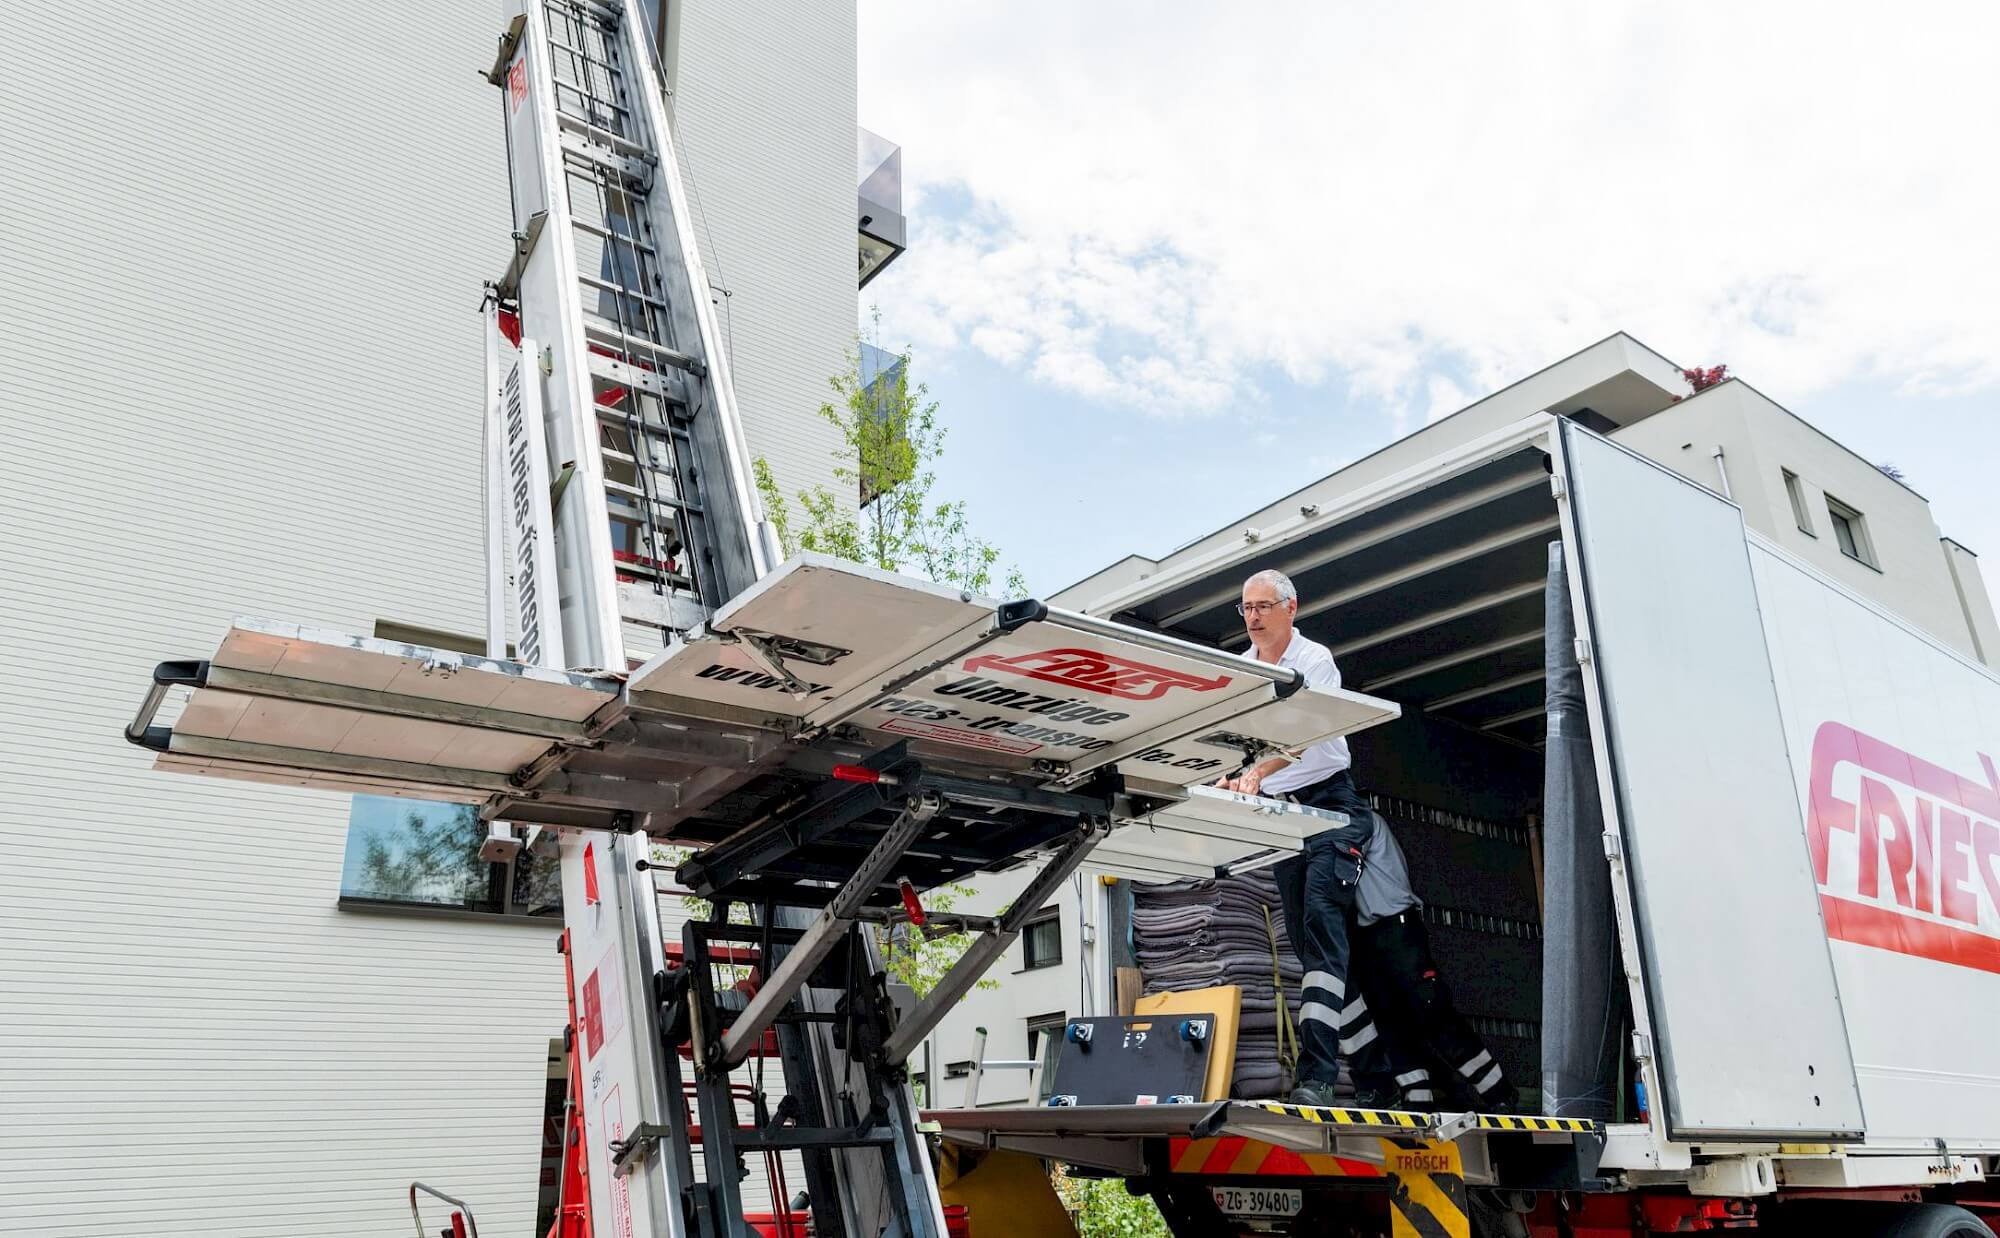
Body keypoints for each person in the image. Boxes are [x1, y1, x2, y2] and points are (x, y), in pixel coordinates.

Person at [1219, 568, 1376, 1108]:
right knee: (1313, 953)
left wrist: (1257, 773)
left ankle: (1318, 1077)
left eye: (1264, 606)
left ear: (1291, 607)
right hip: (1284, 821)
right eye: (1246, 608)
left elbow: (1308, 734)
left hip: (1330, 808)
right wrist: (1223, 771)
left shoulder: (1314, 661)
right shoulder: (1240, 670)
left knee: (1320, 928)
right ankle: (1375, 1073)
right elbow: (1232, 739)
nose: (1254, 617)